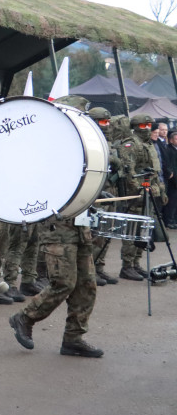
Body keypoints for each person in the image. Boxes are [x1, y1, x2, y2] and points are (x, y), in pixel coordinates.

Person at [8, 96, 104, 358]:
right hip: (57, 226)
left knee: (86, 285)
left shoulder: (79, 147)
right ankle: (25, 317)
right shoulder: (45, 150)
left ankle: (74, 338)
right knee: (63, 282)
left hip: (79, 223)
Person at [118, 113, 166, 281]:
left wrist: (161, 189)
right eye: (144, 126)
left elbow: (155, 171)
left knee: (144, 229)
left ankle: (136, 263)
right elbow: (128, 172)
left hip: (150, 191)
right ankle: (127, 265)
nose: (147, 129)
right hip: (136, 194)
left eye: (149, 126)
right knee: (133, 229)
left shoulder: (148, 144)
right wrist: (139, 189)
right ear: (136, 126)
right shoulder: (131, 144)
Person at [88, 107, 121, 284]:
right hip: (95, 194)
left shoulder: (109, 142)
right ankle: (90, 269)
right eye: (103, 122)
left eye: (108, 122)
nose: (107, 125)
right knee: (94, 233)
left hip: (110, 191)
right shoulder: (89, 142)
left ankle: (99, 266)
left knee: (107, 231)